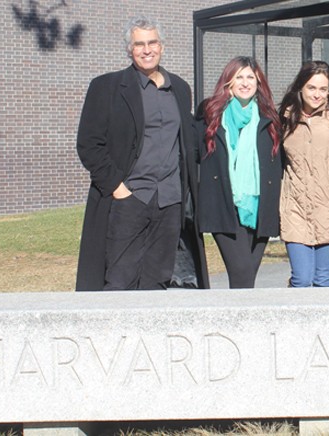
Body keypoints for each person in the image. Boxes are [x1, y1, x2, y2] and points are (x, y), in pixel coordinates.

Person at [75, 16, 208, 291]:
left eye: (152, 42)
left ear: (162, 46)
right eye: (139, 44)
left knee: (158, 281)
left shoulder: (180, 89)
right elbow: (88, 143)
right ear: (129, 49)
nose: (147, 50)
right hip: (129, 198)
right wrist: (116, 187)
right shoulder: (107, 87)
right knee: (119, 281)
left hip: (170, 201)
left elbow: (187, 143)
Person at [197, 57, 282, 289]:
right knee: (243, 274)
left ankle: (238, 321)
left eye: (250, 77)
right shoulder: (210, 115)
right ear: (229, 83)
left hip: (259, 207)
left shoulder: (270, 118)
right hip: (224, 205)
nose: (245, 83)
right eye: (239, 77)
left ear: (258, 82)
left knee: (246, 280)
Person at [278, 61, 329, 287]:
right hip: (295, 209)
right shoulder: (284, 117)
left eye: (323, 89)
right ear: (300, 87)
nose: (317, 94)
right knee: (301, 279)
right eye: (311, 88)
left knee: (322, 280)